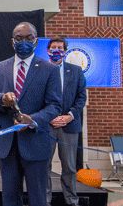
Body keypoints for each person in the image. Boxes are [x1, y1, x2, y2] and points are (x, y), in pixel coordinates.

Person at [0, 22, 61, 206]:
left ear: (36, 42)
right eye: (19, 39)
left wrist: (33, 120)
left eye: (28, 38)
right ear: (12, 42)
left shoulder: (49, 70)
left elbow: (55, 106)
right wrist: (2, 99)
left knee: (38, 200)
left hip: (36, 143)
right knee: (10, 199)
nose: (23, 42)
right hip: (7, 145)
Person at [45, 37, 86, 206]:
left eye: (60, 48)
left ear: (65, 51)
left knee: (69, 167)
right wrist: (48, 116)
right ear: (48, 50)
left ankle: (71, 201)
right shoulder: (41, 69)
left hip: (69, 126)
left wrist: (69, 116)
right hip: (47, 125)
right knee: (44, 166)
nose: (56, 50)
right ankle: (44, 201)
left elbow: (81, 97)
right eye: (53, 47)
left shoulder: (76, 71)